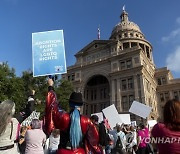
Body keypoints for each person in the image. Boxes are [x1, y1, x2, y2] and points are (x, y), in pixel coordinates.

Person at [45, 78, 102, 154]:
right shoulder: (86, 121)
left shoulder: (63, 117)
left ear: (70, 104)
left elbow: (52, 107)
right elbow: (94, 143)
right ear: (80, 106)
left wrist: (51, 87)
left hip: (63, 152)